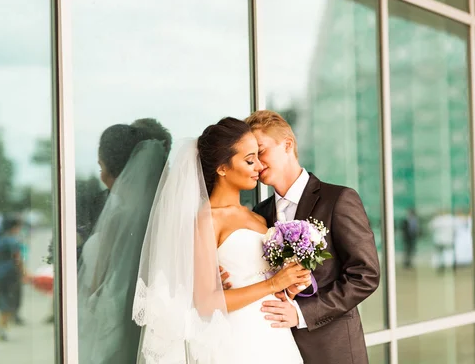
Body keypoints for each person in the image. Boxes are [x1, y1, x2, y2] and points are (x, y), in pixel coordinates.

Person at [133, 117, 311, 364]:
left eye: (259, 157)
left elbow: (263, 277)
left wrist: (288, 285)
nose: (259, 166)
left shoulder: (258, 217)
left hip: (276, 337)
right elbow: (206, 302)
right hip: (238, 340)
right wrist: (272, 285)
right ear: (222, 168)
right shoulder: (207, 220)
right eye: (250, 160)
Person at [242, 110, 381, 364]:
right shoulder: (259, 214)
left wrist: (301, 313)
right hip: (275, 348)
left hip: (333, 350)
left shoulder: (338, 199)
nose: (258, 164)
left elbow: (366, 275)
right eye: (250, 158)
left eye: (261, 151)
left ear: (288, 144)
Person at [77, 119, 171, 364]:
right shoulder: (162, 213)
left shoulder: (118, 218)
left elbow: (96, 282)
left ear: (113, 169)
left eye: (100, 166)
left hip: (113, 318)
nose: (100, 175)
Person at [0, 216, 26, 341]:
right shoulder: (12, 241)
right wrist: (23, 272)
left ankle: (2, 324)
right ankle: (2, 325)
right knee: (10, 300)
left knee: (2, 299)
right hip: (11, 274)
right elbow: (17, 258)